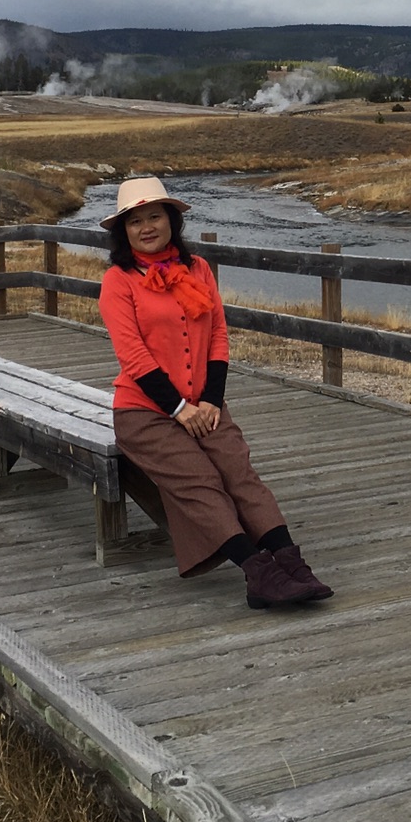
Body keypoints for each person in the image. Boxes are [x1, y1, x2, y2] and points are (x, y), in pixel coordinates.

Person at [97, 176, 332, 608]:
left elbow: (218, 336)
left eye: (155, 216)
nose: (147, 226)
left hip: (204, 403)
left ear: (171, 220)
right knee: (203, 480)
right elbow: (134, 356)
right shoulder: (119, 281)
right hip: (145, 412)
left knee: (239, 472)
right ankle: (258, 575)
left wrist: (208, 400)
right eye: (135, 221)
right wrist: (179, 408)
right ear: (123, 231)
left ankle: (291, 562)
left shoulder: (198, 269)